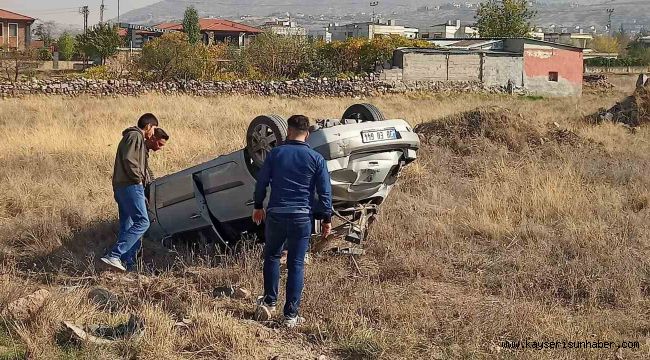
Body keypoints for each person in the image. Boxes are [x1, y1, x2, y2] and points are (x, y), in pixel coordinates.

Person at [252, 114, 332, 328]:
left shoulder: (275, 154)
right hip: (301, 217)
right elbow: (325, 192)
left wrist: (258, 205)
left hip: (276, 214)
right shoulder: (316, 159)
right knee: (296, 264)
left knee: (272, 256)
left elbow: (261, 183)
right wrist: (326, 219)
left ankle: (269, 302)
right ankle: (291, 316)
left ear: (288, 131)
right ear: (308, 133)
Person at [101, 114, 166, 272]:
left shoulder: (134, 138)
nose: (154, 132)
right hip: (130, 186)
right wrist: (138, 181)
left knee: (128, 224)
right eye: (154, 129)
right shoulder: (135, 135)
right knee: (142, 222)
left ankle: (126, 263)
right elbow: (130, 160)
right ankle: (114, 255)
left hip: (123, 187)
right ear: (149, 126)